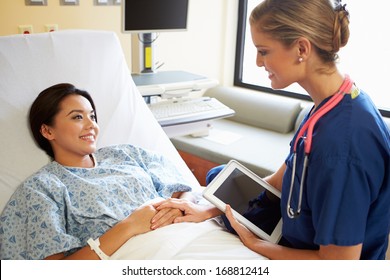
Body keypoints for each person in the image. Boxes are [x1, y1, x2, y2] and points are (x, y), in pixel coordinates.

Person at [154, 0, 390, 259]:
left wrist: (259, 246)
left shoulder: (343, 145)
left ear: (301, 48)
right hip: (291, 234)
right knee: (218, 177)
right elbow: (280, 181)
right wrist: (208, 210)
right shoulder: (331, 104)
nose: (257, 62)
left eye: (264, 51)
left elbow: (339, 264)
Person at [0, 83, 196, 260]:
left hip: (191, 236)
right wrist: (129, 226)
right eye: (78, 117)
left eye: (92, 116)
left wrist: (179, 206)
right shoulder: (42, 189)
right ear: (47, 131)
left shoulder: (126, 154)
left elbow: (185, 189)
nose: (91, 125)